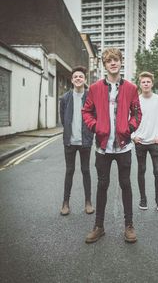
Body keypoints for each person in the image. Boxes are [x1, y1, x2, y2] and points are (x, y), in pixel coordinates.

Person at [82, 47, 142, 243]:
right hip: (102, 146)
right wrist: (95, 127)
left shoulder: (131, 88)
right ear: (105, 65)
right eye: (109, 61)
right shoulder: (95, 88)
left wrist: (129, 128)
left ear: (121, 62)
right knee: (102, 185)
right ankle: (99, 226)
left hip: (124, 146)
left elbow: (137, 113)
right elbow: (86, 112)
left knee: (126, 185)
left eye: (116, 59)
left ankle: (129, 226)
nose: (113, 63)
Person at [60, 66, 94, 216]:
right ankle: (65, 203)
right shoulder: (65, 98)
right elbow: (63, 119)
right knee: (69, 171)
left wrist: (90, 134)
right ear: (72, 80)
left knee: (86, 170)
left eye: (81, 76)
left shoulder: (90, 97)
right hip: (70, 142)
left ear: (84, 79)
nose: (78, 79)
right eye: (75, 77)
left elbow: (94, 117)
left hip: (85, 141)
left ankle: (88, 202)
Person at [132, 71, 158, 212]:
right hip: (140, 142)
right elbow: (130, 119)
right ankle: (143, 199)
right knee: (141, 170)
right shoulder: (136, 101)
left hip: (155, 141)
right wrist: (133, 136)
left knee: (157, 171)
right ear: (140, 84)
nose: (146, 84)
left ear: (152, 83)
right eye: (143, 82)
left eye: (148, 82)